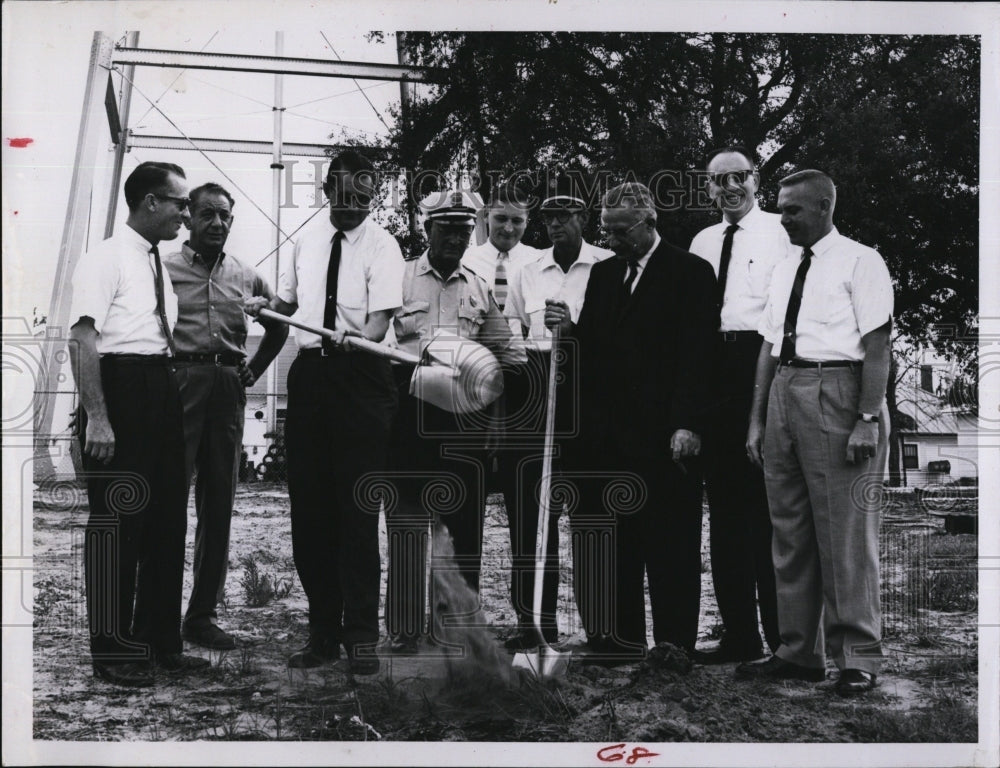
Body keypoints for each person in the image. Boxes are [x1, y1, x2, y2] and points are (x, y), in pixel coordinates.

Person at [245, 150, 404, 676]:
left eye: (365, 196)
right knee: (310, 512)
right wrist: (262, 305)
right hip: (311, 378)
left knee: (357, 512)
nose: (355, 205)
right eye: (346, 194)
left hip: (362, 378)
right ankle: (322, 635)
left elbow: (379, 326)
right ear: (327, 191)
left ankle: (361, 638)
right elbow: (289, 309)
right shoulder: (304, 242)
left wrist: (357, 337)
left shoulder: (384, 245)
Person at [738, 169, 892, 696]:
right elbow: (768, 345)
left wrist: (867, 418)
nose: (783, 220)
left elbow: (877, 347)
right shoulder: (784, 267)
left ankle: (858, 656)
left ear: (824, 206)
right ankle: (799, 650)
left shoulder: (860, 260)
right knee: (790, 532)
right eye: (779, 209)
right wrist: (758, 418)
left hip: (839, 391)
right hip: (786, 388)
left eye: (793, 210)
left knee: (844, 536)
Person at [68, 161, 209, 687]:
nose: (186, 213)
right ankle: (112, 651)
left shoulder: (155, 263)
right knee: (118, 525)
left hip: (160, 387)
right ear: (151, 202)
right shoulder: (104, 259)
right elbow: (82, 340)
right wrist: (98, 418)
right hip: (120, 389)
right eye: (179, 203)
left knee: (167, 521)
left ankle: (158, 642)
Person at [570, 182, 718, 665]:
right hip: (611, 437)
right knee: (618, 541)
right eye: (605, 231)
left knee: (672, 541)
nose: (610, 240)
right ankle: (620, 640)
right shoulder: (604, 274)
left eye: (618, 231)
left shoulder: (691, 272)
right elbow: (592, 349)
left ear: (649, 222)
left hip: (667, 436)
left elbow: (699, 355)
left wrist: (689, 423)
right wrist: (565, 330)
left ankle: (674, 644)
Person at [386, 189, 524, 655]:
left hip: (464, 418)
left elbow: (508, 354)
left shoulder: (480, 286)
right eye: (446, 229)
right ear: (426, 230)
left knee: (462, 525)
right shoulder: (399, 278)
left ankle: (454, 628)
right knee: (407, 520)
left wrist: (495, 412)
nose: (456, 239)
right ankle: (404, 631)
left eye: (465, 232)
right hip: (408, 412)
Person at [163, 183, 288, 651]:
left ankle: (202, 616)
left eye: (225, 216)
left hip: (228, 387)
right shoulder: (163, 269)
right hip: (178, 385)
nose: (218, 224)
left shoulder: (247, 275)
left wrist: (252, 370)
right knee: (170, 499)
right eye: (208, 215)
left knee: (218, 503)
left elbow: (279, 325)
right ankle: (155, 614)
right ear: (188, 218)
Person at [688, 147, 794, 664]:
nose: (729, 187)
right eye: (717, 180)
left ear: (757, 181)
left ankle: (783, 640)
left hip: (765, 364)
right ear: (707, 189)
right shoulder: (703, 241)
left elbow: (782, 319)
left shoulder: (780, 233)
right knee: (726, 512)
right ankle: (739, 636)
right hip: (716, 371)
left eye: (739, 177)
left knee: (769, 512)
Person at [499, 176, 612, 651]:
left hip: (589, 386)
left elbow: (617, 335)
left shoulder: (606, 264)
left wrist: (576, 326)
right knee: (531, 512)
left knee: (591, 513)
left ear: (583, 218)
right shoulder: (529, 269)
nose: (557, 222)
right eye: (549, 215)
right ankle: (534, 623)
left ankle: (601, 627)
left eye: (566, 214)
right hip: (537, 381)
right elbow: (512, 329)